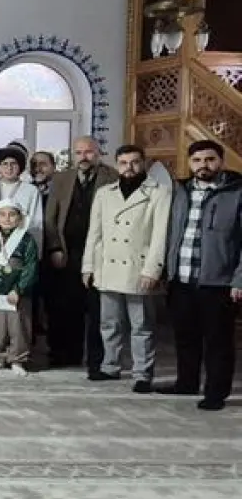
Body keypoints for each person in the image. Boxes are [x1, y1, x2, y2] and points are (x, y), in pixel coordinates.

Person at [80, 144, 169, 393]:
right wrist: (88, 266)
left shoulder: (159, 192)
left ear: (143, 163)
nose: (129, 167)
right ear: (116, 164)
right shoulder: (104, 193)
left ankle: (142, 373)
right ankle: (110, 366)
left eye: (134, 162)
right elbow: (94, 233)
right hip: (107, 265)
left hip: (139, 267)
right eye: (123, 163)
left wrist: (153, 269)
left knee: (142, 326)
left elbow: (160, 235)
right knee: (109, 323)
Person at [160, 139, 239, 411]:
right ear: (190, 163)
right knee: (185, 336)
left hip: (218, 282)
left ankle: (216, 393)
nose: (203, 165)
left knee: (218, 341)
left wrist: (239, 280)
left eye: (210, 159)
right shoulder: (180, 191)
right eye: (197, 160)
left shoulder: (235, 192)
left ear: (221, 162)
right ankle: (186, 383)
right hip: (181, 278)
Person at [42, 136, 114, 371]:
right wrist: (55, 247)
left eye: (89, 152)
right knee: (63, 306)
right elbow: (49, 218)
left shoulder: (112, 177)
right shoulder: (61, 179)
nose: (84, 157)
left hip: (98, 253)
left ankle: (97, 358)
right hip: (66, 251)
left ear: (99, 153)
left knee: (96, 308)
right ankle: (61, 354)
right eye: (79, 152)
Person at [0, 199, 39, 377]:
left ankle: (17, 359)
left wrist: (18, 289)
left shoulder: (26, 240)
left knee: (18, 327)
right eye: (2, 214)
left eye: (12, 214)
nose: (7, 218)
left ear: (19, 217)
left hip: (16, 293)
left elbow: (31, 267)